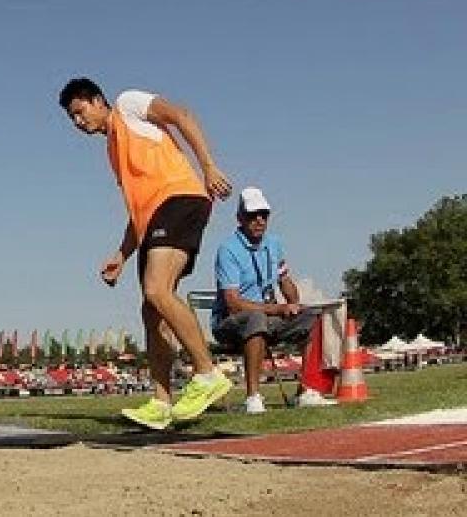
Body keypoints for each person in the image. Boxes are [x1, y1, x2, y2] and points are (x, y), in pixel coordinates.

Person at [59, 78, 233, 429]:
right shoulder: (113, 150)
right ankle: (161, 401)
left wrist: (208, 165)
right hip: (155, 215)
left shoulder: (128, 104)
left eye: (80, 112)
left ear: (97, 100)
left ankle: (207, 373)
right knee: (151, 309)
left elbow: (181, 115)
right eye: (71, 119)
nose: (78, 122)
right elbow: (137, 210)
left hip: (181, 198)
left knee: (157, 289)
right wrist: (121, 256)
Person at [212, 186, 338, 413]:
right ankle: (253, 398)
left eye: (264, 214)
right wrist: (278, 308)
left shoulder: (274, 244)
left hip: (267, 317)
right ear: (240, 218)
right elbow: (232, 302)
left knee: (315, 318)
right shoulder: (227, 250)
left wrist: (293, 300)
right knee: (256, 318)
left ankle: (307, 391)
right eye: (252, 215)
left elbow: (286, 281)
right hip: (230, 323)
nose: (259, 219)